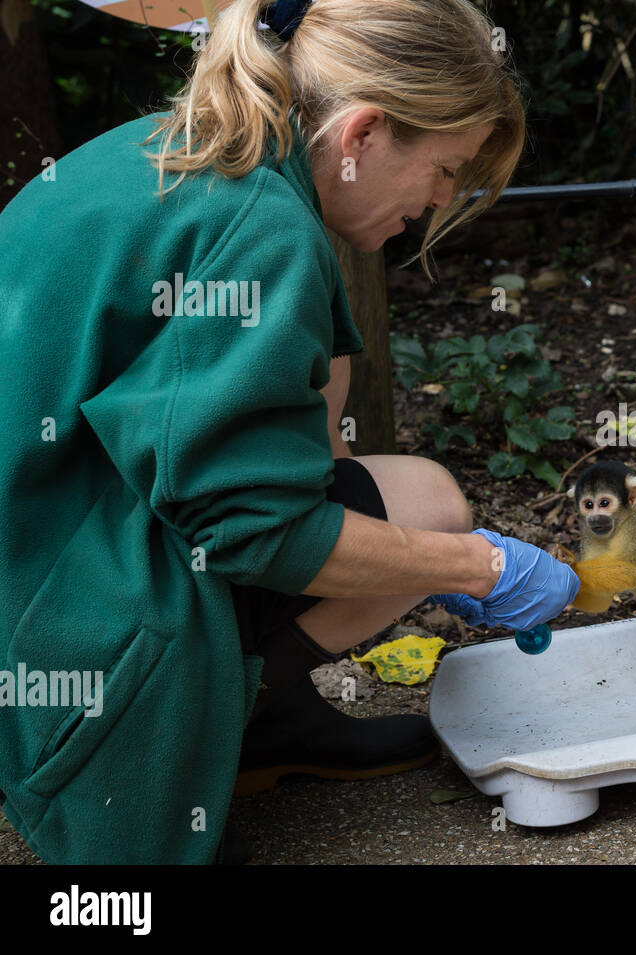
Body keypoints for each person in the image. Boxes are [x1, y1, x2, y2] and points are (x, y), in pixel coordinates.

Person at [0, 0, 577, 864]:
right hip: (47, 624)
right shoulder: (262, 227)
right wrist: (483, 567)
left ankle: (255, 718)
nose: (441, 202)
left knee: (424, 502)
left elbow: (309, 440)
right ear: (364, 134)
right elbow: (259, 530)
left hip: (43, 532)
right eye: (446, 169)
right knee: (420, 531)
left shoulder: (191, 148)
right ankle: (135, 745)